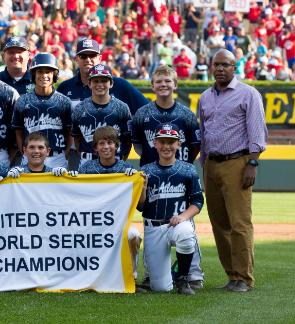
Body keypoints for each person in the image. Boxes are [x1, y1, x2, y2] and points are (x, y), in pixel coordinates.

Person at [198, 49, 268, 292]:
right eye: (216, 64)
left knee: (239, 223)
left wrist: (252, 163)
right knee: (219, 224)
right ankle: (232, 275)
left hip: (237, 163)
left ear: (234, 67)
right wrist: (204, 163)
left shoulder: (248, 94)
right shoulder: (205, 97)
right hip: (212, 164)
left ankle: (244, 277)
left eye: (225, 64)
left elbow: (257, 132)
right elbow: (204, 134)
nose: (219, 68)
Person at [132, 65, 204, 290]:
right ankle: (157, 275)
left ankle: (191, 274)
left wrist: (181, 163)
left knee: (185, 227)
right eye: (159, 82)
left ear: (175, 85)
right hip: (152, 172)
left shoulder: (185, 114)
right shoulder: (143, 113)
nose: (163, 85)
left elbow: (195, 145)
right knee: (159, 286)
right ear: (152, 85)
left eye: (167, 81)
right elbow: (136, 144)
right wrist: (153, 160)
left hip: (179, 171)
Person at [138, 124, 203, 295]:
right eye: (162, 141)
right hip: (153, 227)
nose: (166, 146)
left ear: (178, 144)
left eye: (171, 142)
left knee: (186, 234)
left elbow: (197, 201)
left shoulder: (188, 169)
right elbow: (140, 206)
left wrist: (183, 217)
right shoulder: (146, 171)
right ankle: (173, 273)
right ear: (155, 143)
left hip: (176, 223)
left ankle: (183, 278)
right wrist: (143, 188)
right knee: (160, 288)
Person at [78, 126, 144, 286]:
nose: (106, 147)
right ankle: (85, 275)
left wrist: (142, 184)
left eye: (110, 143)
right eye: (101, 143)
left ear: (116, 145)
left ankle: (131, 276)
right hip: (92, 221)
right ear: (95, 148)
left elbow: (140, 206)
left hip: (118, 222)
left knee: (133, 235)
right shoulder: (87, 168)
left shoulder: (126, 169)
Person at [12, 53, 72, 169]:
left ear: (54, 75)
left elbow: (69, 132)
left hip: (57, 157)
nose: (44, 75)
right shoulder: (22, 101)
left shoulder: (64, 101)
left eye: (48, 72)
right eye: (40, 72)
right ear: (33, 75)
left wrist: (66, 153)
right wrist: (24, 152)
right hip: (30, 157)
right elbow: (18, 131)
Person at [56, 38, 148, 114]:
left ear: (99, 58)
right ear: (76, 59)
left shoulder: (120, 85)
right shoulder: (65, 88)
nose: (88, 60)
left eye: (92, 55)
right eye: (83, 56)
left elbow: (147, 110)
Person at [71, 64, 132, 167]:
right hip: (87, 161)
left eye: (104, 81)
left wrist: (121, 159)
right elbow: (76, 138)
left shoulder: (122, 107)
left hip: (114, 161)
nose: (100, 84)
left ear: (111, 83)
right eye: (95, 81)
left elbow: (128, 139)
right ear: (89, 84)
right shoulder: (79, 108)